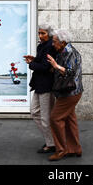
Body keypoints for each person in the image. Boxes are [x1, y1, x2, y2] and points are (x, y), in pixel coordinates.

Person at [46, 29, 83, 161]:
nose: (52, 44)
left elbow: (70, 72)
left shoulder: (70, 53)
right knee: (69, 119)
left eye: (55, 42)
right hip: (68, 92)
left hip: (70, 92)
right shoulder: (63, 51)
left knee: (55, 118)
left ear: (62, 42)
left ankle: (61, 150)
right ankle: (75, 149)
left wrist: (56, 66)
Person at [24, 24, 58, 154]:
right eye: (39, 33)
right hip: (39, 85)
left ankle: (52, 144)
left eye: (43, 33)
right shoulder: (42, 46)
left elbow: (45, 67)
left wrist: (31, 64)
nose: (40, 35)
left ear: (48, 34)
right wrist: (34, 59)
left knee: (45, 117)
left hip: (46, 85)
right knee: (34, 112)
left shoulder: (50, 46)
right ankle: (51, 141)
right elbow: (42, 62)